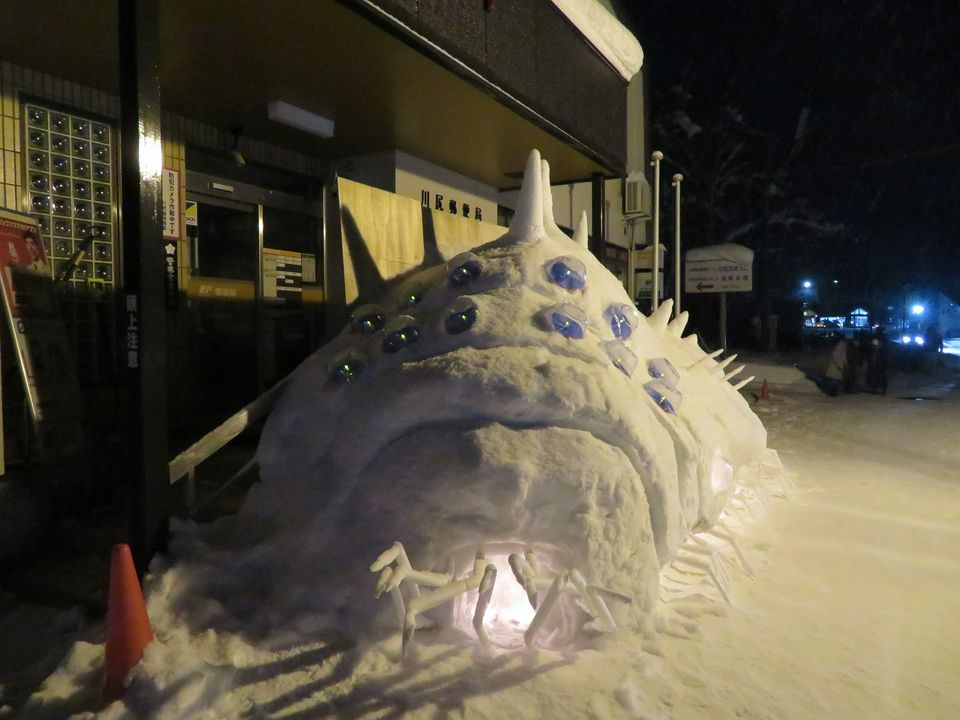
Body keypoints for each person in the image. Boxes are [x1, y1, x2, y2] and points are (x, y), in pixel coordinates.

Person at [866, 327, 888, 395]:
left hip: (877, 357)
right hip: (882, 357)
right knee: (881, 373)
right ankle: (882, 387)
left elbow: (872, 346)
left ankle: (875, 387)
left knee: (875, 372)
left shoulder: (875, 336)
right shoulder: (884, 337)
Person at [824, 333, 847, 397]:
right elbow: (838, 355)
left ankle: (832, 392)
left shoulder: (836, 344)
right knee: (836, 379)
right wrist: (840, 364)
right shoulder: (841, 344)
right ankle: (832, 392)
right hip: (836, 364)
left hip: (834, 363)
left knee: (834, 378)